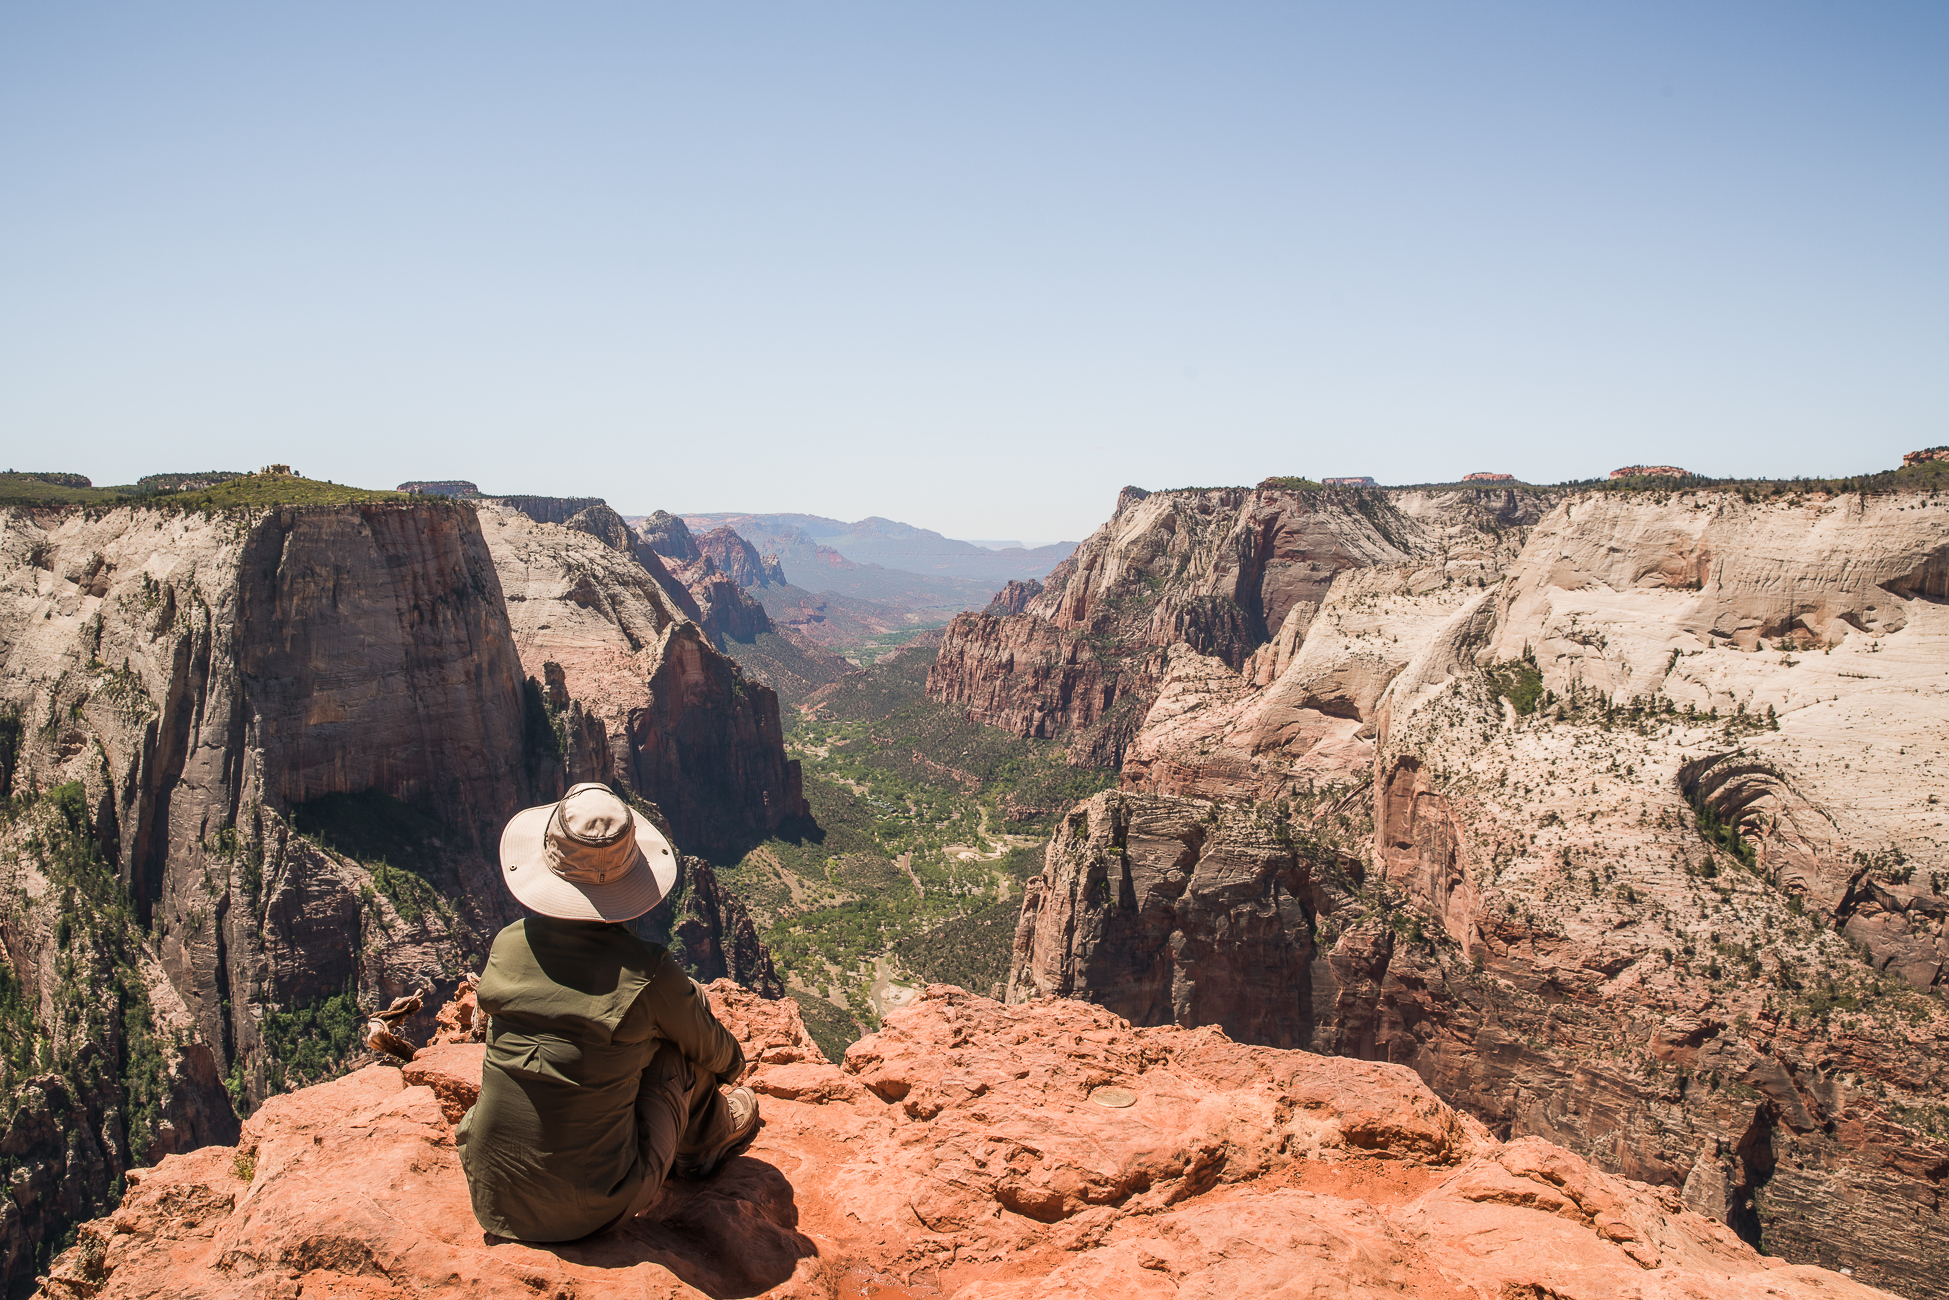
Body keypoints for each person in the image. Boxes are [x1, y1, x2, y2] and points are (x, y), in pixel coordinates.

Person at [457, 782, 761, 1242]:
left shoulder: (506, 944)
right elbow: (719, 1056)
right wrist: (726, 1059)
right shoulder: (648, 974)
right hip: (591, 1206)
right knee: (678, 1048)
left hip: (492, 1190)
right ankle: (707, 1137)